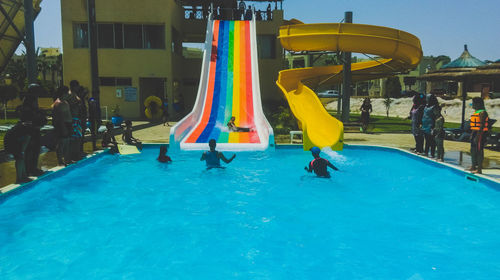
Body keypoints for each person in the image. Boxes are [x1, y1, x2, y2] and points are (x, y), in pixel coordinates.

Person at [19, 84, 47, 176]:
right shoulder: (29, 99)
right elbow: (28, 114)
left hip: (33, 128)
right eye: (37, 90)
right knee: (31, 149)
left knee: (34, 149)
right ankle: (30, 169)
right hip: (30, 128)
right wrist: (39, 115)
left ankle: (31, 168)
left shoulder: (31, 99)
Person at [52, 86, 73, 165]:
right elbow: (59, 117)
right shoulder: (58, 103)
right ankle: (60, 161)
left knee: (67, 143)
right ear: (64, 93)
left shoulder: (65, 102)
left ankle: (67, 159)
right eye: (67, 93)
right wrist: (63, 127)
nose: (68, 94)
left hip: (67, 124)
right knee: (61, 143)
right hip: (62, 125)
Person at [469, 97, 489, 174]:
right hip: (475, 133)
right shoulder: (476, 112)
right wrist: (472, 134)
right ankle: (473, 166)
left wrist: (478, 137)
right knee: (473, 150)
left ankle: (479, 169)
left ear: (478, 104)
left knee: (479, 151)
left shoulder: (482, 113)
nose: (472, 105)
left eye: (473, 103)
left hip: (480, 134)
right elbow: (475, 126)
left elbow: (481, 126)